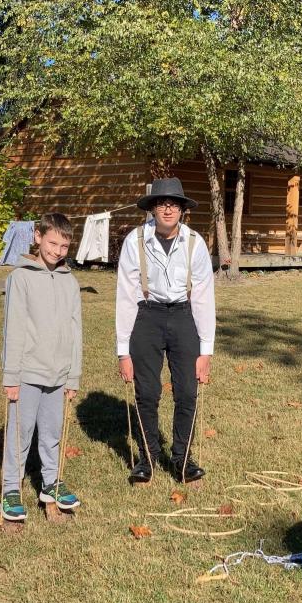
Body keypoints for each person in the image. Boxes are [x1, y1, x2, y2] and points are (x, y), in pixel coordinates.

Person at [116, 177, 215, 484]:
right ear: (153, 209)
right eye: (162, 204)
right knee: (147, 392)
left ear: (183, 210)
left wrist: (206, 350)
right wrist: (123, 351)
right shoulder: (134, 242)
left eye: (174, 204)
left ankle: (183, 459)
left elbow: (203, 297)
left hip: (184, 316)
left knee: (186, 391)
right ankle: (148, 457)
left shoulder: (195, 243)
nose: (168, 209)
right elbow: (125, 295)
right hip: (147, 316)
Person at [0, 212, 83, 522]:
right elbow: (15, 328)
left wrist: (73, 374)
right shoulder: (20, 278)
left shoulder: (70, 282)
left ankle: (51, 482)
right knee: (20, 434)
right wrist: (11, 376)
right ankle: (11, 488)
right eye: (52, 243)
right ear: (37, 237)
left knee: (52, 433)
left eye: (63, 246)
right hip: (28, 373)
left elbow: (76, 331)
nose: (57, 251)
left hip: (59, 374)